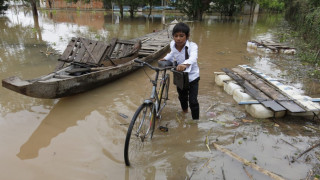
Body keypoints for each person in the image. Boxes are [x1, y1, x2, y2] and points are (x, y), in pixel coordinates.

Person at [159, 22, 200, 120]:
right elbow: (172, 53)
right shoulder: (173, 44)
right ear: (173, 37)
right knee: (182, 97)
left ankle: (195, 122)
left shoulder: (192, 46)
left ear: (187, 36)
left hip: (192, 77)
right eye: (176, 36)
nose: (178, 39)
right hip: (180, 76)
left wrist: (184, 64)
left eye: (181, 36)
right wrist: (165, 58)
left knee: (193, 101)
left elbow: (193, 57)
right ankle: (185, 112)